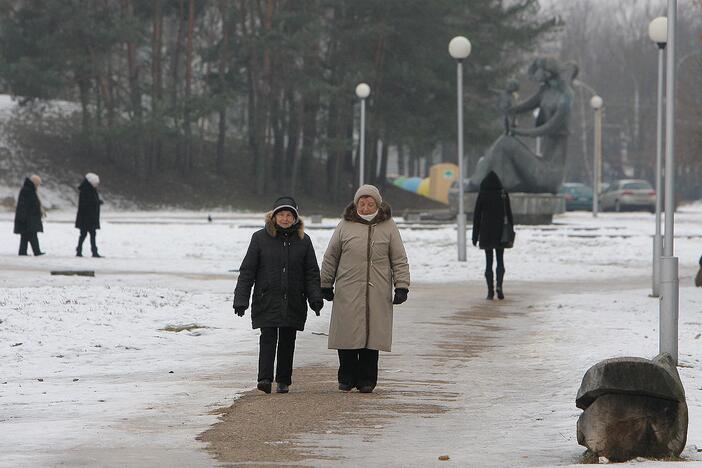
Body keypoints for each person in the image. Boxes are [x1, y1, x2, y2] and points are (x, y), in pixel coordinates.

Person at [321, 185, 410, 393]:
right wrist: (325, 283)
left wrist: (402, 286)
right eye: (362, 203)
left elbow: (399, 258)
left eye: (371, 204)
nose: (366, 207)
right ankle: (346, 377)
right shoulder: (345, 225)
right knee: (347, 334)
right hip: (347, 287)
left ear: (378, 205)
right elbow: (331, 256)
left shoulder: (388, 226)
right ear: (356, 204)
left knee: (372, 336)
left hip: (377, 289)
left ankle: (367, 380)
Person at [233, 196, 323, 394]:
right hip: (267, 298)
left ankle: (283, 380)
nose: (284, 218)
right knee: (268, 338)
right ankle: (264, 378)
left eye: (289, 215)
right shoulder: (259, 238)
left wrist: (315, 298)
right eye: (281, 214)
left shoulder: (304, 241)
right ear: (273, 217)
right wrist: (241, 299)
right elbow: (248, 271)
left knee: (287, 340)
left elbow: (311, 273)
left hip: (293, 299)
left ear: (295, 218)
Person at [472, 171, 514, 300]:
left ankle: (490, 291)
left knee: (488, 262)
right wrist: (511, 232)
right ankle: (499, 287)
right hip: (501, 233)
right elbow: (509, 215)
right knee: (500, 261)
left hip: (486, 233)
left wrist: (475, 236)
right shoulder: (503, 194)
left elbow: (477, 217)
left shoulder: (483, 194)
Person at [13, 175, 45, 256]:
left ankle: (22, 252)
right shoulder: (28, 190)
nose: (38, 186)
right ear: (34, 183)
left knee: (25, 236)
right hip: (28, 218)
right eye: (38, 184)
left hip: (28, 217)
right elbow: (24, 205)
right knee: (32, 235)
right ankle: (36, 252)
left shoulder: (29, 189)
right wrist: (24, 217)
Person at [75, 173, 103, 257]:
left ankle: (87, 251)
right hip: (87, 217)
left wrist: (97, 202)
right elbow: (87, 203)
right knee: (85, 234)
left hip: (89, 217)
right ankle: (83, 251)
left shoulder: (89, 189)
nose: (97, 185)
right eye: (96, 183)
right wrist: (97, 202)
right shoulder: (86, 190)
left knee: (88, 234)